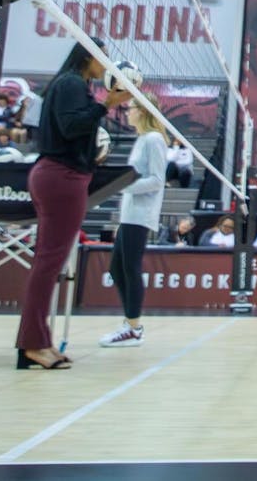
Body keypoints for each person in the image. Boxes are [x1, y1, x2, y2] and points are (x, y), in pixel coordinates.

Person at [15, 40, 130, 370]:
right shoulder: (70, 84)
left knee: (48, 264)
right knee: (48, 264)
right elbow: (70, 126)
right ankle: (32, 344)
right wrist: (106, 104)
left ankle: (37, 341)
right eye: (102, 58)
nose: (105, 65)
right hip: (61, 177)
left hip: (64, 176)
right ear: (88, 57)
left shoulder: (72, 85)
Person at [101, 92, 169, 348]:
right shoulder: (142, 139)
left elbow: (156, 180)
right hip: (129, 214)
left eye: (130, 107)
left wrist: (122, 186)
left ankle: (133, 327)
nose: (127, 111)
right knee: (117, 269)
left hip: (141, 214)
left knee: (129, 268)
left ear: (143, 110)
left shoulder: (154, 140)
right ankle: (130, 323)